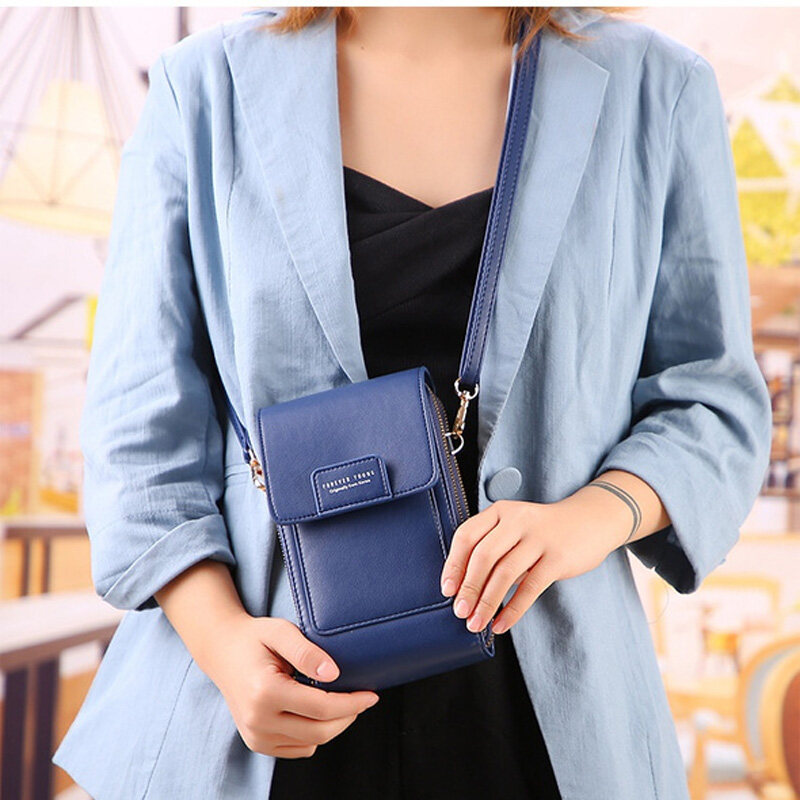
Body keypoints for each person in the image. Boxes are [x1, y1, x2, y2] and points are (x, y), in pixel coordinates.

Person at [53, 7, 772, 800]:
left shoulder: (659, 88)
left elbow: (713, 401)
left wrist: (591, 518)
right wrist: (223, 644)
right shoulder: (203, 86)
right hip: (260, 702)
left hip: (546, 721)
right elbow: (138, 427)